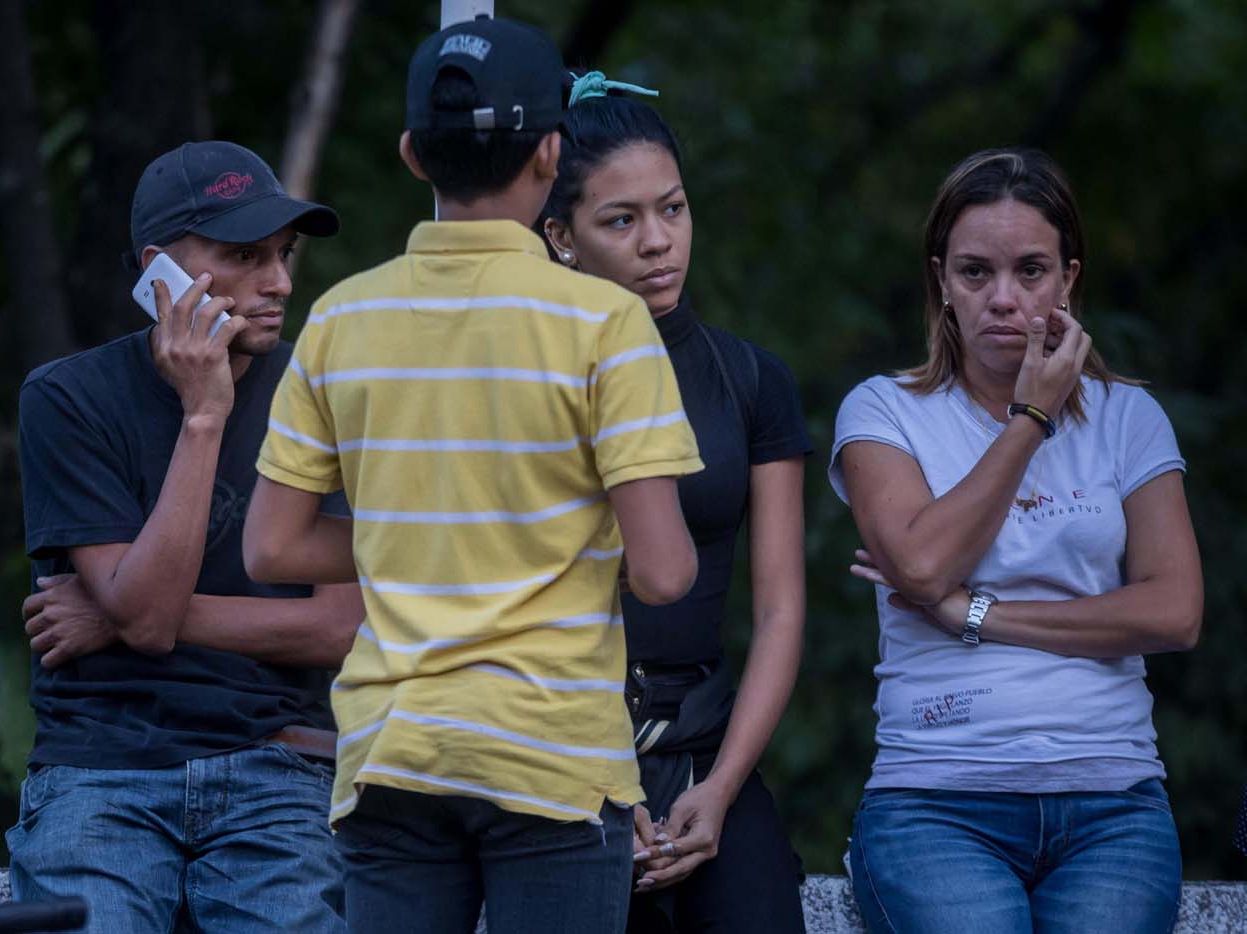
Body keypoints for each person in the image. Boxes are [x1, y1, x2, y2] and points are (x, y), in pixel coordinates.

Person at [242, 16, 704, 934]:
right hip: (554, 759)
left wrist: (424, 534)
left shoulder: (340, 319)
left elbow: (272, 547)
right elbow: (664, 572)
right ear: (551, 154)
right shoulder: (606, 326)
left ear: (413, 154)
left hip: (393, 754)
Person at [830, 147, 1202, 933]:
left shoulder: (1129, 419)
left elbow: (1174, 613)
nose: (1003, 298)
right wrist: (1031, 417)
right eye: (974, 273)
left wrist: (976, 615)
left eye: (1030, 271)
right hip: (935, 800)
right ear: (941, 280)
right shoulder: (884, 411)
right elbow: (925, 566)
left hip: (1113, 802)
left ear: (1069, 278)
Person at [10, 140, 364, 933]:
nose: (278, 282)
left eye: (284, 254)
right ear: (158, 272)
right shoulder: (67, 399)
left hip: (278, 763)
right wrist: (205, 414)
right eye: (245, 255)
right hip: (102, 768)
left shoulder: (324, 398)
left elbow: (340, 626)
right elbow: (148, 613)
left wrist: (113, 617)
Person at [539, 74, 810, 934]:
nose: (659, 242)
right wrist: (593, 780)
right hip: (550, 751)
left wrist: (721, 791)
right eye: (622, 220)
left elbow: (778, 609)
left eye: (674, 209)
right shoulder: (519, 376)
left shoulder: (750, 379)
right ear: (562, 237)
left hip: (703, 748)